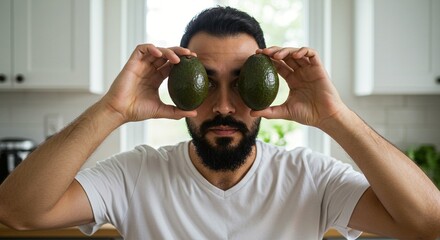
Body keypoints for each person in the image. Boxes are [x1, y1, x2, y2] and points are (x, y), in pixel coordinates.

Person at [0, 6, 439, 240]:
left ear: (264, 86)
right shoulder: (134, 174)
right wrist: (113, 110)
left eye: (240, 83)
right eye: (205, 83)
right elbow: (17, 213)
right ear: (178, 85)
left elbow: (430, 223)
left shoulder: (311, 178)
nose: (225, 106)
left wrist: (336, 117)